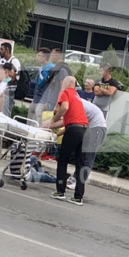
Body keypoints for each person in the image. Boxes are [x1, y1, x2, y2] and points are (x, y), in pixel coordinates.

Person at [46, 76, 89, 206]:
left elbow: (64, 108)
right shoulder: (76, 96)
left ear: (68, 83)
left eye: (64, 81)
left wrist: (52, 120)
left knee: (63, 160)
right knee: (80, 163)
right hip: (84, 130)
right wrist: (54, 126)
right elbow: (69, 119)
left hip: (73, 130)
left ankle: (60, 191)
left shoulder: (66, 93)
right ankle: (78, 197)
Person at [58, 98, 107, 190]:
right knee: (81, 156)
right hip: (90, 128)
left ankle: (78, 181)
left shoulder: (77, 105)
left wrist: (51, 125)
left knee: (88, 157)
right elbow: (70, 124)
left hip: (97, 129)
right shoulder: (75, 102)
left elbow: (67, 123)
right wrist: (57, 133)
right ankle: (75, 179)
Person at [40, 48, 71, 115]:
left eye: (52, 55)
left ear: (58, 56)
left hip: (54, 102)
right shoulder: (56, 68)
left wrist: (58, 104)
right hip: (50, 101)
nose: (50, 57)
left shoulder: (62, 69)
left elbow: (63, 88)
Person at [28, 48, 53, 125]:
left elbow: (44, 83)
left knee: (38, 119)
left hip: (43, 99)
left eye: (39, 55)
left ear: (44, 57)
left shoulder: (50, 68)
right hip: (36, 97)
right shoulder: (42, 69)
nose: (37, 57)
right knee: (31, 113)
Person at [0, 42, 21, 117]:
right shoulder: (7, 61)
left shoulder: (14, 61)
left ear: (7, 50)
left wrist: (2, 81)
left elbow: (13, 77)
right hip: (4, 91)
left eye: (2, 49)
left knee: (5, 115)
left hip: (9, 92)